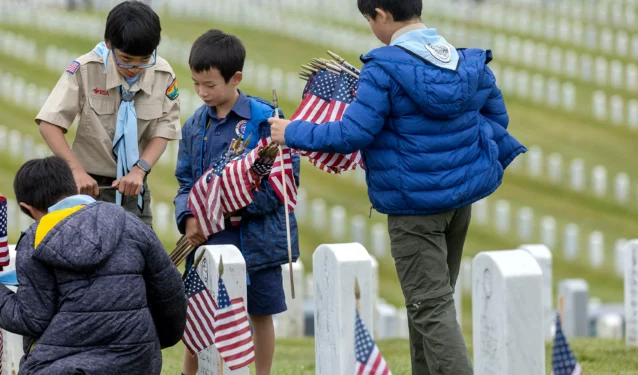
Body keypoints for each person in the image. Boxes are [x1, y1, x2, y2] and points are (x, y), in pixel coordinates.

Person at [269, 0, 526, 373]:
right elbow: (496, 118)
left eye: (369, 19)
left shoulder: (383, 68)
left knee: (430, 307)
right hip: (458, 203)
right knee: (429, 304)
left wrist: (291, 131)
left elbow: (353, 132)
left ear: (382, 14)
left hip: (412, 209)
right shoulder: (465, 62)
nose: (371, 28)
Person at [0, 156, 187, 374]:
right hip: (138, 363)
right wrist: (153, 345)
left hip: (62, 366)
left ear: (27, 207)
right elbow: (171, 294)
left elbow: (31, 319)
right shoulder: (131, 223)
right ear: (75, 189)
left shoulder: (35, 240)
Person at [173, 29, 300, 375]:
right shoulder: (194, 125)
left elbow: (284, 182)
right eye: (197, 83)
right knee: (198, 310)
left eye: (210, 85)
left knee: (260, 312)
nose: (202, 92)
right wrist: (187, 217)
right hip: (208, 237)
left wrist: (236, 204)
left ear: (236, 78)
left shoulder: (265, 120)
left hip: (255, 238)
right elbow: (185, 180)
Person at [35, 1, 181, 228]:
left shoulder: (162, 74)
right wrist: (76, 171)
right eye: (126, 59)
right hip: (88, 185)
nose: (135, 68)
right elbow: (49, 123)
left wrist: (140, 170)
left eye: (144, 60)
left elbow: (165, 127)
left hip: (134, 184)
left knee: (140, 254)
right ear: (109, 44)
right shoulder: (85, 68)